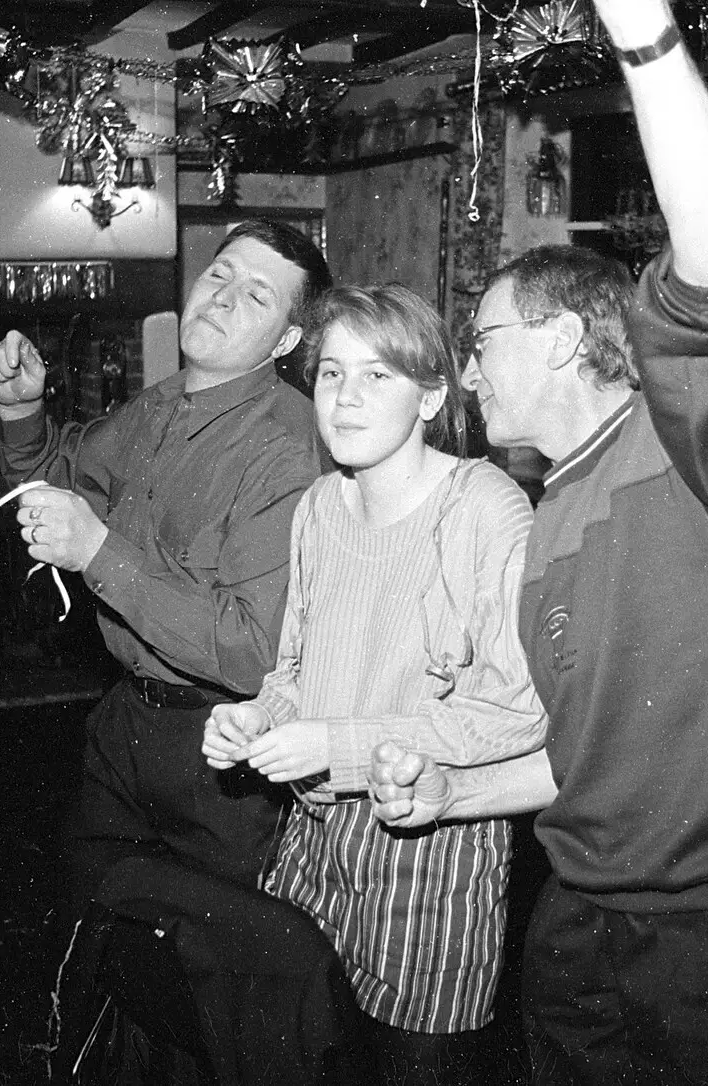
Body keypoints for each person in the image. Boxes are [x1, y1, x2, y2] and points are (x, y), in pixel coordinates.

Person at [370, 1, 708, 1082]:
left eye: (480, 345)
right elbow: (580, 761)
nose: (469, 376)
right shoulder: (543, 516)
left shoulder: (683, 452)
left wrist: (642, 35)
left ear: (564, 336)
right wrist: (451, 794)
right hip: (580, 915)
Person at [202, 284, 545, 1084]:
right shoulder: (319, 506)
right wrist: (256, 717)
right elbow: (296, 672)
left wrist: (339, 745)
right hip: (312, 843)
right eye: (330, 375)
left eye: (378, 376)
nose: (346, 399)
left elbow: (518, 712)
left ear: (432, 396)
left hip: (430, 846)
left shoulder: (486, 507)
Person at [0, 219, 332, 899]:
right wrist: (20, 409)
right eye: (220, 274)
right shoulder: (160, 401)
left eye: (257, 296)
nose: (223, 296)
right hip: (124, 720)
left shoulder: (289, 451)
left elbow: (251, 649)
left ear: (286, 340)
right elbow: (65, 475)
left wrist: (97, 551)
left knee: (205, 971)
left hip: (223, 754)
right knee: (99, 934)